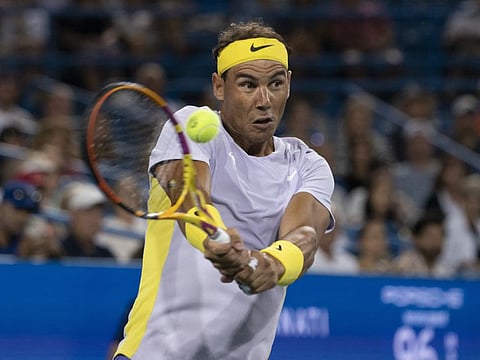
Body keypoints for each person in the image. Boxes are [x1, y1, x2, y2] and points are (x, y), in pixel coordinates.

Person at [113, 20, 335, 360]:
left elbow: (304, 236)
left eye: (275, 83)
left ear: (288, 84)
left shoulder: (308, 165)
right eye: (248, 85)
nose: (264, 100)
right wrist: (216, 240)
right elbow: (190, 198)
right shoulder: (191, 125)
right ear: (219, 86)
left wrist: (270, 264)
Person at [59, 181, 114, 259]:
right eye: (89, 212)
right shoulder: (57, 252)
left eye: (99, 213)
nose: (95, 220)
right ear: (74, 215)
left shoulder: (106, 254)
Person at [0, 180, 42, 256]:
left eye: (28, 212)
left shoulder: (26, 244)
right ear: (2, 207)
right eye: (18, 209)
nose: (23, 218)